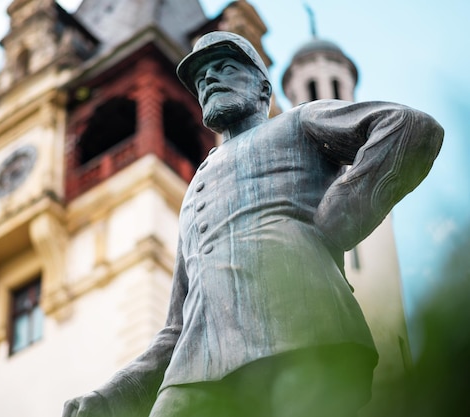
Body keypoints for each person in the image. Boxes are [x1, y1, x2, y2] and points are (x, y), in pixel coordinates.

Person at [62, 31, 444, 417]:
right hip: (198, 370)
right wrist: (113, 396)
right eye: (201, 78)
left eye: (224, 67)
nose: (209, 79)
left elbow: (409, 127)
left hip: (304, 335)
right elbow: (177, 327)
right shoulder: (195, 188)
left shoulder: (297, 122)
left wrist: (341, 214)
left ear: (264, 88)